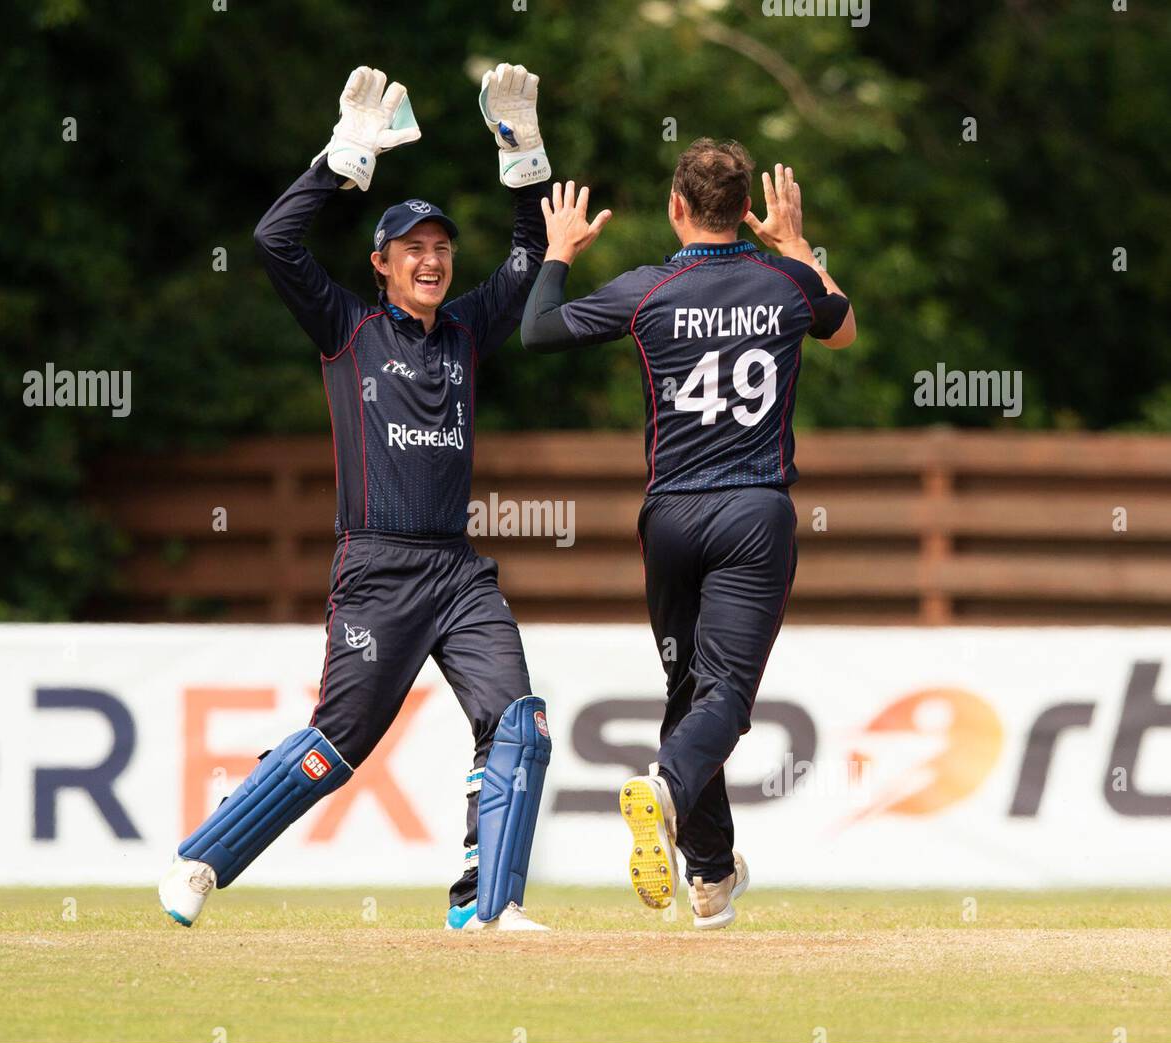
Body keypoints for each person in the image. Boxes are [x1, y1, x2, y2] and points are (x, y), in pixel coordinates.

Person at [160, 64, 556, 931]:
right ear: (381, 264)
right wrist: (341, 160)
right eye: (413, 247)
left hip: (456, 571)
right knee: (335, 749)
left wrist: (524, 154)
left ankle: (488, 908)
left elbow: (530, 257)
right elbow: (274, 242)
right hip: (376, 571)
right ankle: (204, 857)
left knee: (518, 721)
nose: (432, 258)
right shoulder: (348, 328)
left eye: (443, 248)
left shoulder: (466, 332)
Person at [521, 140, 856, 929]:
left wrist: (559, 252)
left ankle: (708, 876)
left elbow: (537, 332)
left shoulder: (648, 289)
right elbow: (841, 330)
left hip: (669, 518)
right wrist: (797, 242)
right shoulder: (787, 282)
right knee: (727, 698)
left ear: (676, 208)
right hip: (752, 515)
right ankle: (666, 788)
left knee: (689, 693)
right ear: (746, 211)